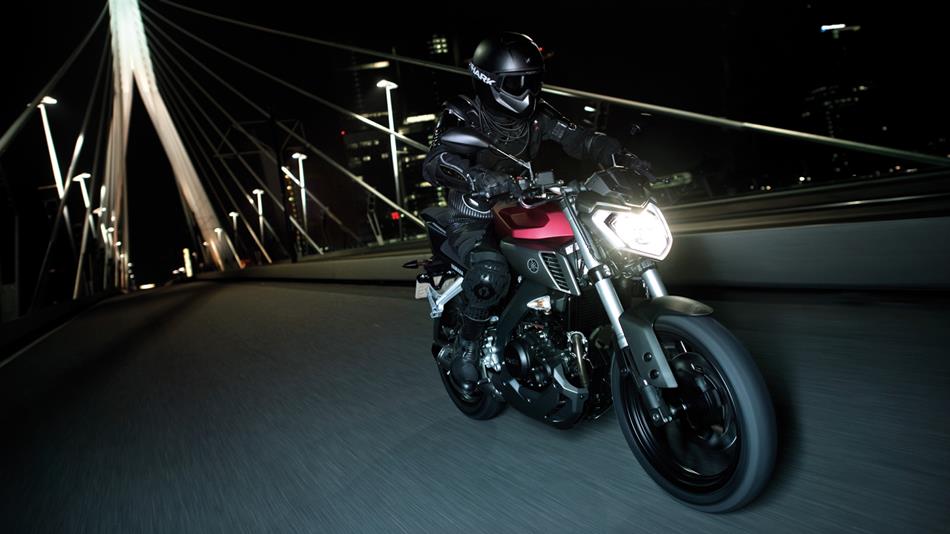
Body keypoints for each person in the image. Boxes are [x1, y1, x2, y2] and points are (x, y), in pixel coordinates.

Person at [422, 32, 647, 393]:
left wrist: (618, 155)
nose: (527, 91)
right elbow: (437, 161)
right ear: (489, 82)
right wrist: (476, 177)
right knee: (490, 272)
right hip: (475, 214)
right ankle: (467, 347)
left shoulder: (538, 114)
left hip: (524, 203)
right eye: (516, 83)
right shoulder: (462, 112)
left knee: (596, 247)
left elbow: (579, 138)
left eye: (533, 81)